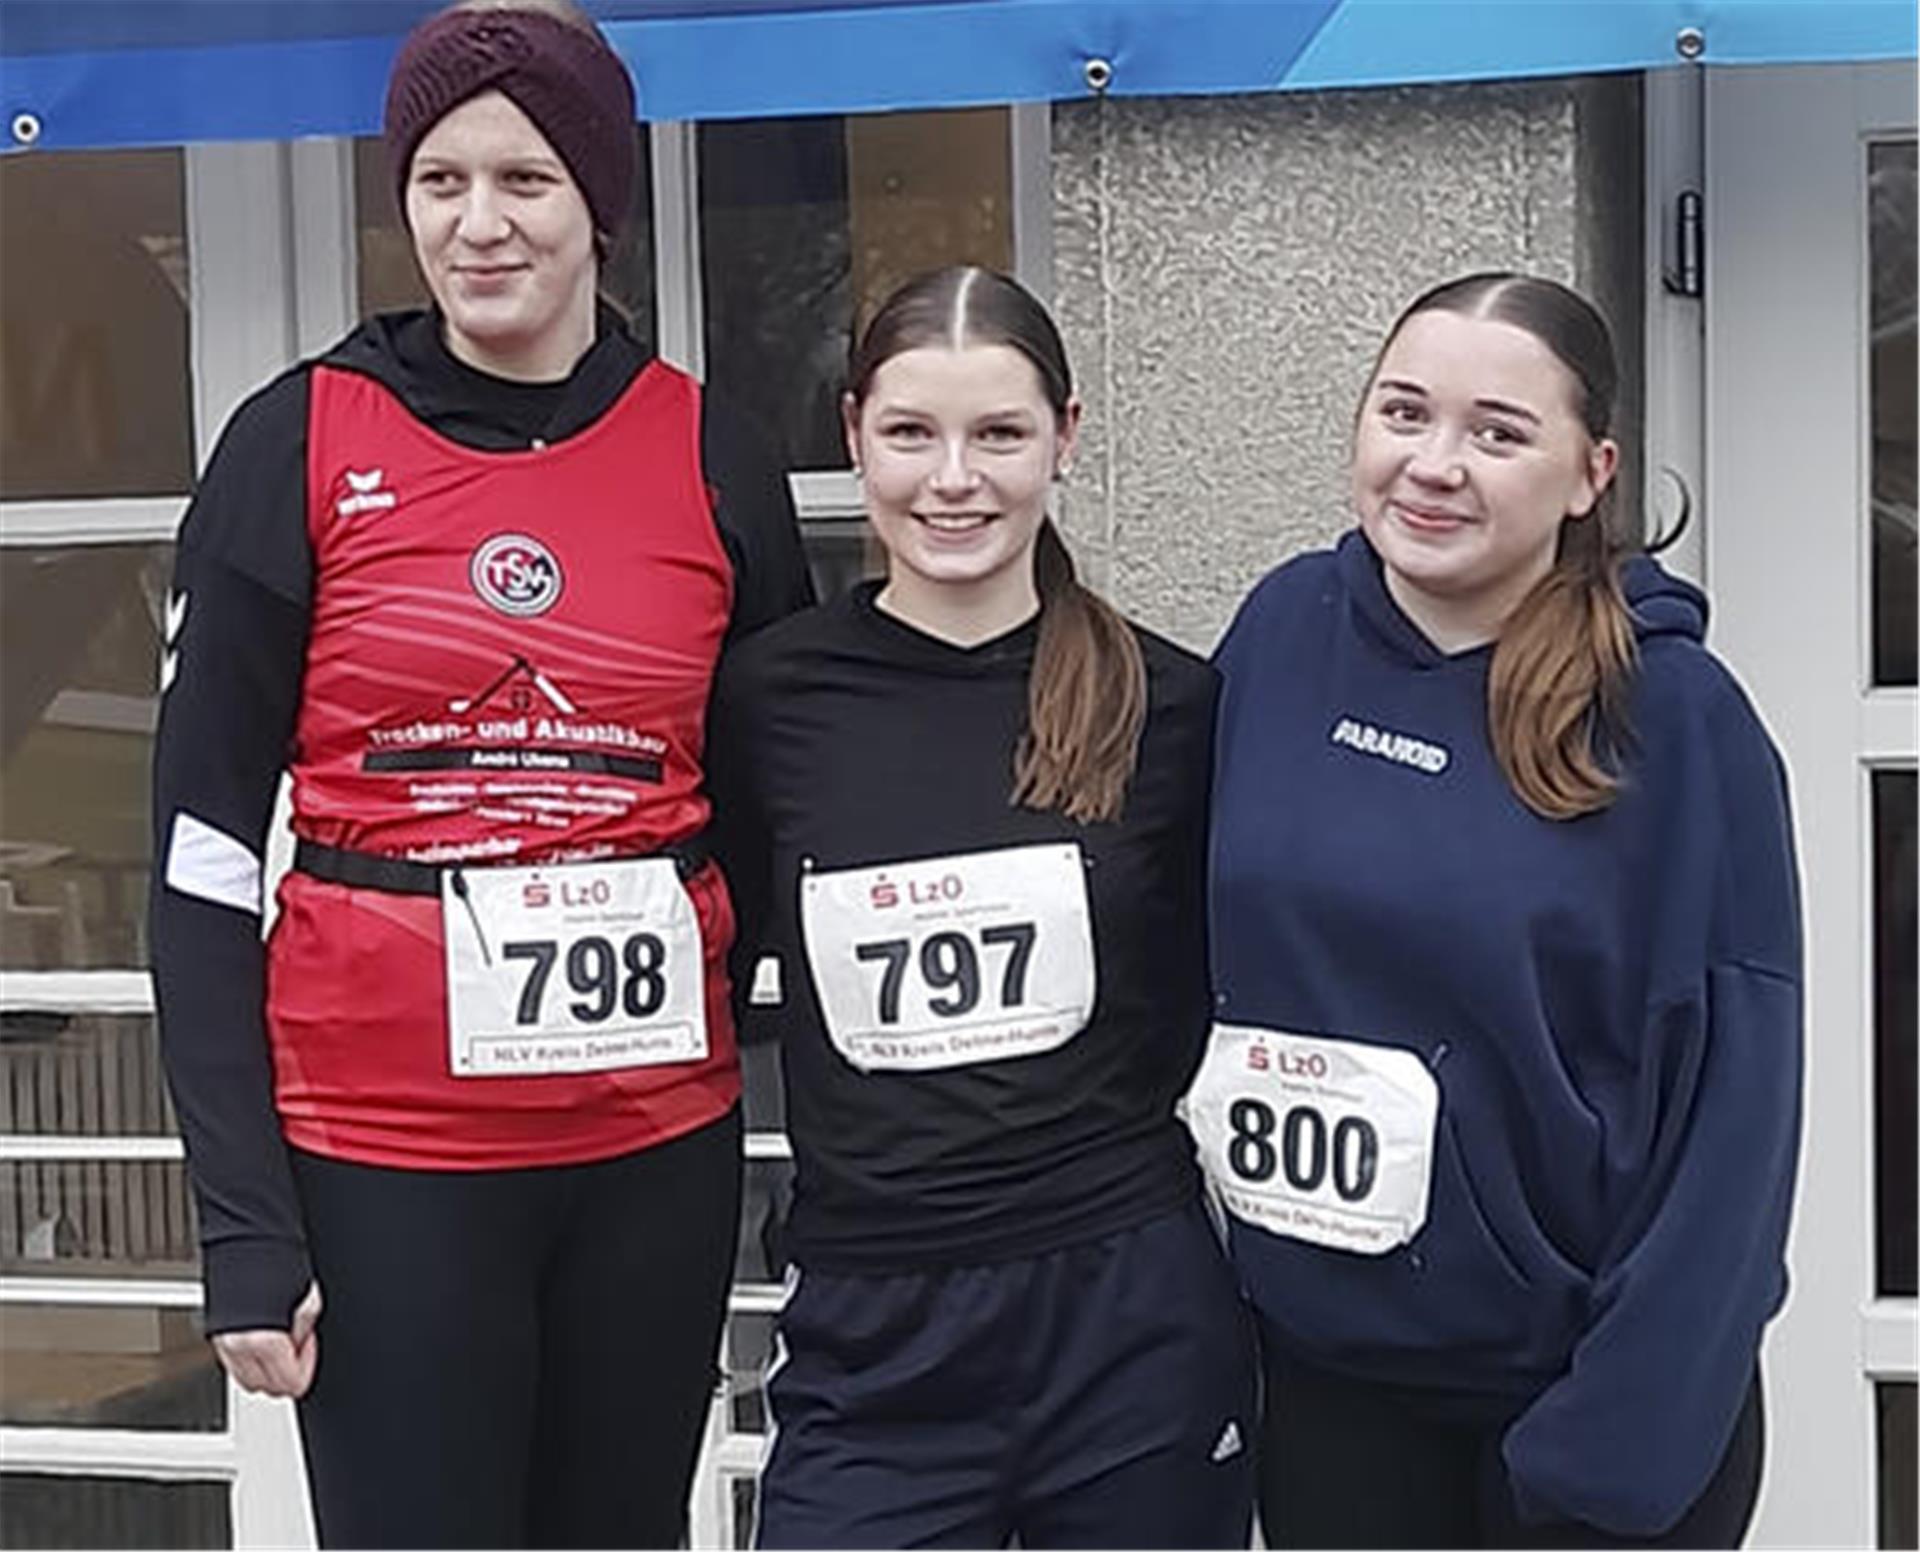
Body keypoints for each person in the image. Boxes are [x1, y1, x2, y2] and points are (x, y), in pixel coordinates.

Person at [148, 3, 812, 1545]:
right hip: (385, 1154)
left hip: (653, 1150)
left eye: (524, 180)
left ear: (599, 200)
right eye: (441, 183)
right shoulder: (299, 440)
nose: (478, 223)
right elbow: (198, 856)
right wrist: (244, 1220)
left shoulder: (713, 453)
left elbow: (777, 817)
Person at [1191, 271, 1803, 1549]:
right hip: (1334, 1396)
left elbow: (1738, 1118)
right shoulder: (1281, 632)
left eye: (1498, 432)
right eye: (1403, 413)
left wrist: (1608, 1458)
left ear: (1593, 472)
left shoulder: (1678, 720)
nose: (1435, 463)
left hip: (1584, 1415)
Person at [708, 265, 1256, 1550]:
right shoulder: (768, 701)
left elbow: (1209, 993)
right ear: (854, 438)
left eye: (999, 434)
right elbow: (717, 985)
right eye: (911, 433)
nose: (953, 478)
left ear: (1064, 439)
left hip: (1130, 1320)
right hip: (871, 1336)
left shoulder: (1168, 705)